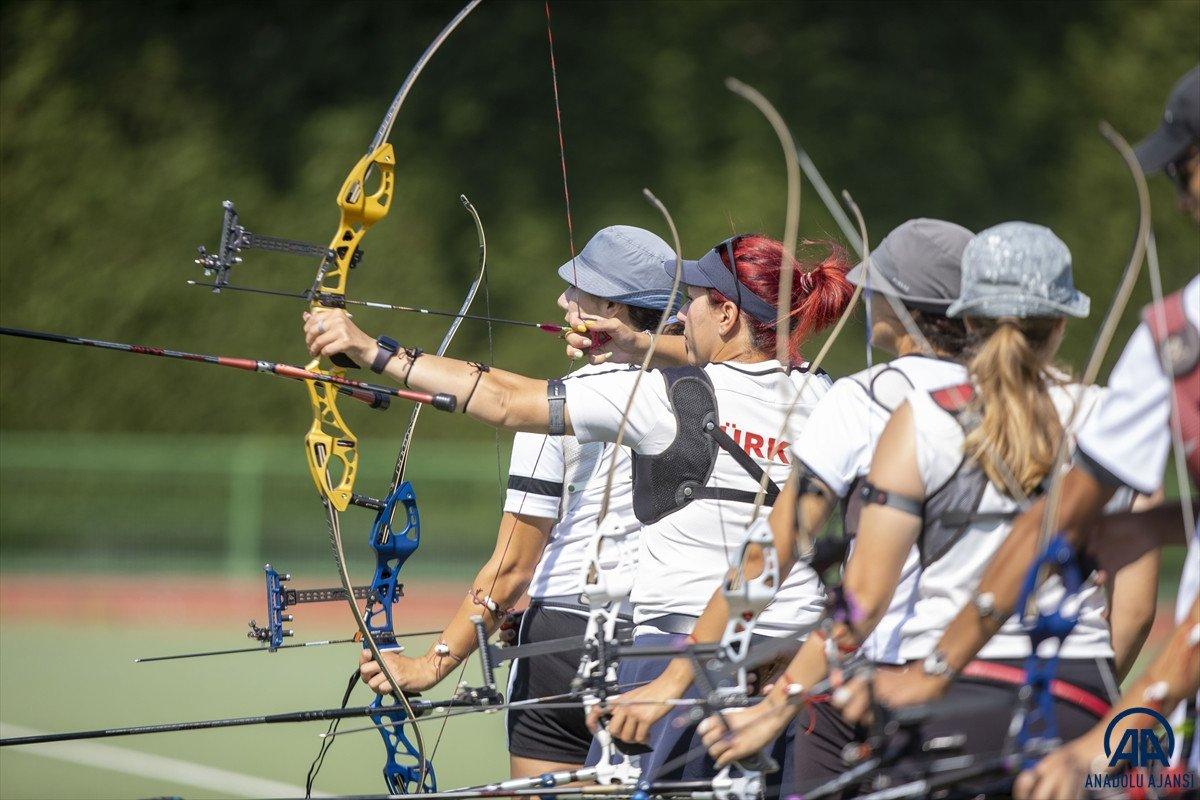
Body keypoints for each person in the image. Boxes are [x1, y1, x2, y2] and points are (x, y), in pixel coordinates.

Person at [303, 232, 854, 784]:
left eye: (696, 301)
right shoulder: (828, 395)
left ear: (728, 314)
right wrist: (635, 342)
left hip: (680, 652)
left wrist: (372, 351)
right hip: (795, 660)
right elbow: (718, 359)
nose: (683, 314)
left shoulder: (662, 398)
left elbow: (502, 398)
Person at [736, 222, 1143, 796]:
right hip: (1075, 692)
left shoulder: (923, 417)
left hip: (942, 686)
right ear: (1060, 322)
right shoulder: (1114, 418)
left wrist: (782, 700)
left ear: (968, 317)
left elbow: (864, 600)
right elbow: (1137, 605)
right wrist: (1092, 692)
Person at [619, 218, 976, 784]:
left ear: (903, 301)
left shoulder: (863, 397)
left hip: (883, 672)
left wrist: (704, 683)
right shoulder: (1040, 401)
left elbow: (782, 558)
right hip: (1009, 677)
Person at [349, 226, 686, 778]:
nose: (563, 301)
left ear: (612, 310)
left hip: (560, 643)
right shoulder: (720, 394)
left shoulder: (556, 407)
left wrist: (431, 665)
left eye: (580, 291)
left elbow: (511, 570)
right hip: (668, 639)